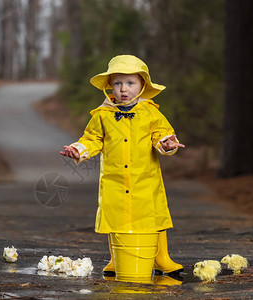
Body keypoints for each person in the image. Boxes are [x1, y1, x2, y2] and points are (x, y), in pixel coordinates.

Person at [60, 55, 185, 276]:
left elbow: (162, 136)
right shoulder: (102, 115)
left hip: (144, 179)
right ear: (109, 86)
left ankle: (161, 257)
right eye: (117, 83)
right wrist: (78, 149)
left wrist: (167, 144)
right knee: (115, 216)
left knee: (154, 214)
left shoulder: (151, 113)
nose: (123, 89)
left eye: (130, 83)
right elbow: (92, 139)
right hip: (115, 178)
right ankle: (116, 259)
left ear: (142, 85)